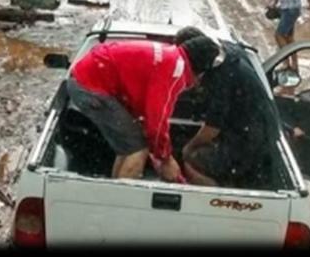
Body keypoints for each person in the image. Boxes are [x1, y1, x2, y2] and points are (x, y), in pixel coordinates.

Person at [65, 34, 222, 181]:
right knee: (137, 148)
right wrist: (165, 157)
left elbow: (142, 101)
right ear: (201, 69)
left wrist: (158, 149)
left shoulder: (171, 55)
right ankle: (121, 202)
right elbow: (157, 121)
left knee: (128, 146)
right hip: (90, 86)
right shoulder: (175, 70)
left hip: (88, 78)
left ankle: (114, 190)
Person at [182, 39, 281, 188]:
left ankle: (216, 199)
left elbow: (211, 130)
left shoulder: (221, 79)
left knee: (191, 159)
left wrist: (188, 148)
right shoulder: (233, 55)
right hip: (260, 137)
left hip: (248, 143)